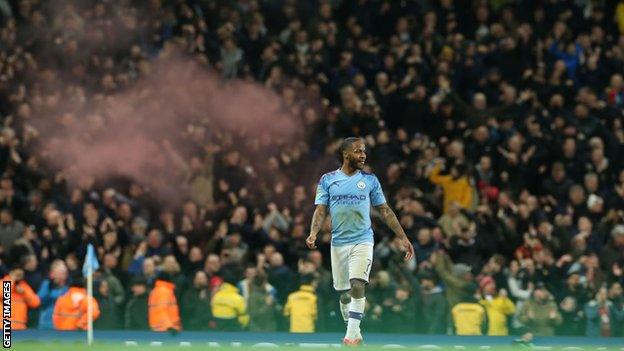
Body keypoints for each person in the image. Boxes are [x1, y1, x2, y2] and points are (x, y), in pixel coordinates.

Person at [306, 137, 414, 345]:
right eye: (358, 151)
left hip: (363, 240)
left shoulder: (370, 180)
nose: (363, 155)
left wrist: (403, 237)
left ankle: (351, 336)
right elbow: (320, 210)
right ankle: (351, 322)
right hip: (338, 243)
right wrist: (313, 233)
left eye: (364, 151)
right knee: (345, 294)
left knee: (358, 283)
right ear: (346, 154)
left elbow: (385, 210)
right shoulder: (328, 180)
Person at [37, 260, 69, 329]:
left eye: (64, 273)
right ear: (52, 273)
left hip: (63, 324)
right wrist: (50, 287)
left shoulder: (68, 288)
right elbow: (39, 301)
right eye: (60, 272)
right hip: (46, 323)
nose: (63, 275)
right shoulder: (46, 285)